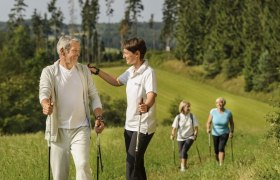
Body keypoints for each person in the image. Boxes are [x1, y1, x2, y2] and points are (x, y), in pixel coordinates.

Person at [88, 37, 157, 180]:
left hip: (142, 126)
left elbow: (151, 95)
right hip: (129, 126)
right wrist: (97, 71)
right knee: (137, 164)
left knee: (131, 164)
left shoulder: (148, 72)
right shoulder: (131, 71)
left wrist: (147, 106)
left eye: (126, 53)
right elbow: (116, 81)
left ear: (137, 54)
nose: (123, 56)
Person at [39, 35, 105, 180]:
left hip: (81, 128)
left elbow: (94, 96)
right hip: (57, 131)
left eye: (78, 50)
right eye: (75, 51)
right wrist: (45, 105)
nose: (78, 54)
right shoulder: (49, 72)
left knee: (82, 165)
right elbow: (44, 92)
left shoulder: (83, 71)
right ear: (63, 52)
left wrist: (99, 117)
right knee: (59, 175)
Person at [170, 100, 199, 172]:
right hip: (180, 137)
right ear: (182, 107)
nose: (189, 108)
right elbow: (174, 128)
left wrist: (195, 135)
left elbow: (196, 128)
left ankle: (182, 168)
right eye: (187, 106)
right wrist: (172, 134)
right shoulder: (178, 117)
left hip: (190, 136)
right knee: (181, 153)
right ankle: (184, 166)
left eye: (189, 106)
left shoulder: (192, 116)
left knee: (184, 150)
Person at [206, 97, 234, 166]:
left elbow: (231, 123)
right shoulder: (213, 111)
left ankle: (221, 164)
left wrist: (231, 132)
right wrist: (208, 128)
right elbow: (208, 122)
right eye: (217, 103)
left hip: (225, 132)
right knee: (216, 150)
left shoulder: (228, 113)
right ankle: (218, 162)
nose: (219, 104)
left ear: (224, 103)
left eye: (221, 102)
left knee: (221, 148)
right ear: (216, 104)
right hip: (215, 133)